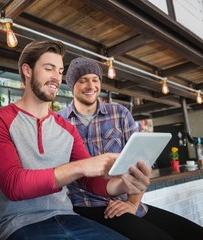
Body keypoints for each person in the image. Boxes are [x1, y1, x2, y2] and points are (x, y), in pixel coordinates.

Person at [0, 40, 152, 240]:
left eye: (60, 71)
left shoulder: (66, 128)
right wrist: (81, 166)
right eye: (49, 68)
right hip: (20, 224)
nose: (56, 77)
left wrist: (124, 184)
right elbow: (13, 185)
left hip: (68, 217)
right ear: (27, 70)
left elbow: (91, 182)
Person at [57, 56, 203, 240]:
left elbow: (142, 162)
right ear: (71, 85)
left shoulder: (119, 113)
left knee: (194, 234)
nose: (91, 85)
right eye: (83, 80)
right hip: (85, 207)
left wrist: (133, 204)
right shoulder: (58, 121)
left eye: (95, 79)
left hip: (123, 203)